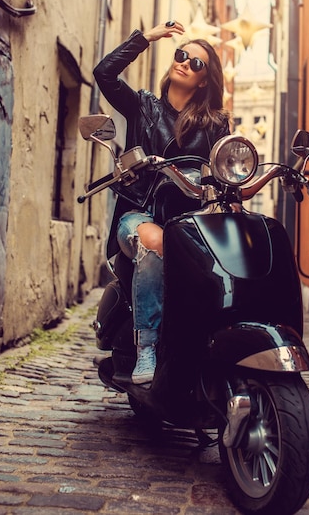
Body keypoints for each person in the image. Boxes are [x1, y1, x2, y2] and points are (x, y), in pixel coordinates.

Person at [93, 21, 230, 385]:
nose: (184, 62)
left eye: (195, 63)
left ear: (204, 80)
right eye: (181, 55)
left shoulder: (216, 124)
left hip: (190, 223)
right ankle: (147, 349)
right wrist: (145, 38)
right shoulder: (142, 106)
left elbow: (226, 170)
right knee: (154, 242)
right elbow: (103, 73)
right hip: (139, 213)